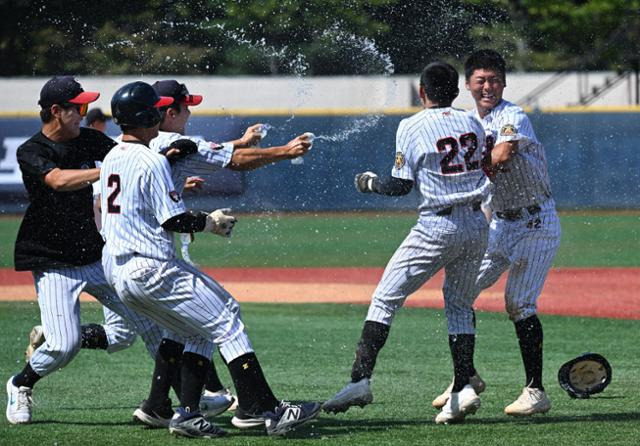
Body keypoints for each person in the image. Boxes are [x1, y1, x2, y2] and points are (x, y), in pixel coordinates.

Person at [100, 81, 320, 438]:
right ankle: (264, 409)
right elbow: (173, 220)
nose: (161, 112)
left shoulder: (113, 155)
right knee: (227, 317)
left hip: (121, 271)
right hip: (152, 266)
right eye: (156, 108)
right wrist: (209, 222)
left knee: (194, 330)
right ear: (149, 115)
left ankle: (186, 414)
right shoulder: (152, 160)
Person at [322, 62, 490, 424]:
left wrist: (368, 183)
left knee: (385, 298)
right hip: (477, 221)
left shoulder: (412, 125)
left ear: (421, 91)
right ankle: (462, 388)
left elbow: (400, 185)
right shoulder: (472, 121)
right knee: (460, 306)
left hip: (438, 224)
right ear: (457, 91)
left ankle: (360, 380)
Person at [5, 76, 166, 425]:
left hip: (96, 255)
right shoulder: (31, 150)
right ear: (56, 111)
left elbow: (130, 157)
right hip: (52, 259)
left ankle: (172, 403)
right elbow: (58, 180)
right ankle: (20, 384)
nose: (84, 112)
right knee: (64, 345)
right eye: (77, 107)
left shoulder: (90, 139)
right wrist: (105, 170)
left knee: (144, 326)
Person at [438, 49, 560, 416]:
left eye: (493, 79)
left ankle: (536, 390)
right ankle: (466, 377)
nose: (487, 86)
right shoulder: (464, 123)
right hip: (500, 223)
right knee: (458, 292)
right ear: (467, 86)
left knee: (519, 303)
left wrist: (460, 176)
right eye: (480, 80)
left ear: (504, 83)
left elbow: (503, 154)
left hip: (535, 222)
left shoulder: (512, 115)